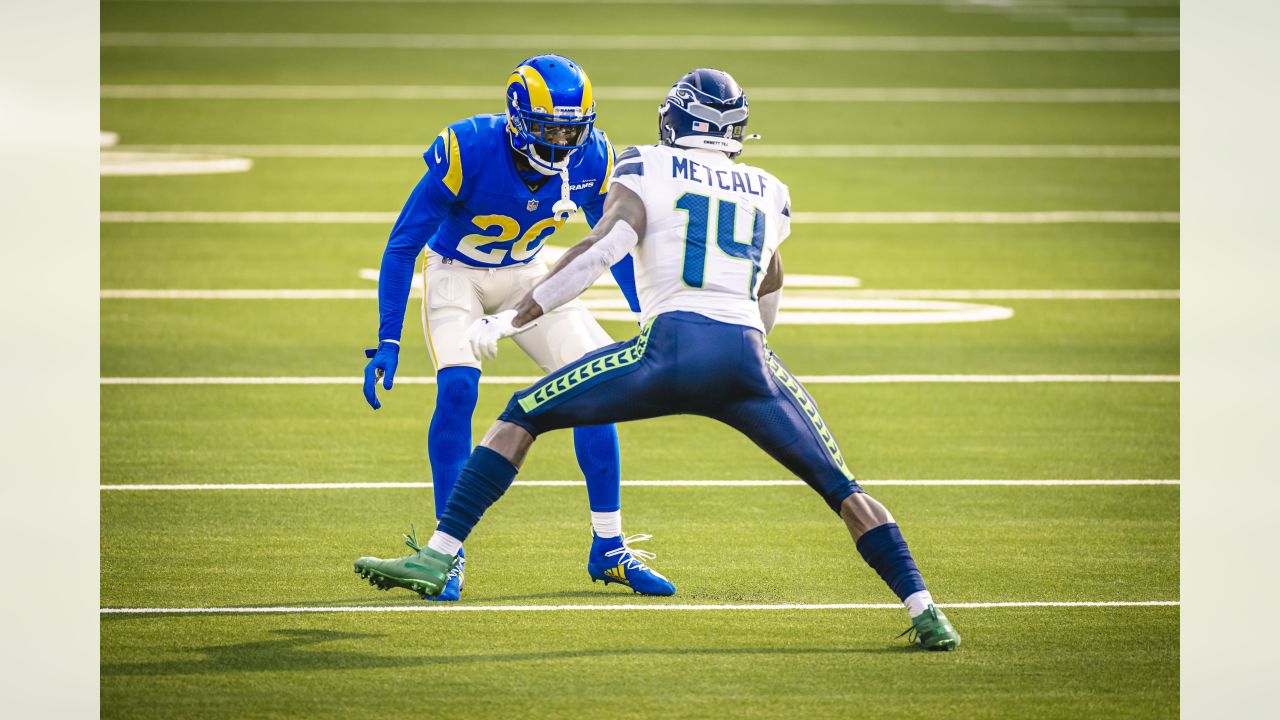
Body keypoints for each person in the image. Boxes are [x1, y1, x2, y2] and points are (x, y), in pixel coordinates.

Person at [356, 68, 960, 650]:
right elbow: (771, 282)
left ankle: (443, 553)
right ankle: (924, 608)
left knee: (523, 413)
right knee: (842, 487)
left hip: (665, 349)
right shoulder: (773, 192)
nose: (564, 142)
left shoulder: (642, 162)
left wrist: (516, 319)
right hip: (746, 359)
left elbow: (601, 248)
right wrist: (756, 348)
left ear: (672, 120)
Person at [359, 54, 675, 601]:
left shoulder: (593, 156)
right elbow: (403, 242)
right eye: (550, 128)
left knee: (594, 384)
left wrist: (644, 310)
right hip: (457, 273)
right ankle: (446, 555)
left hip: (530, 274)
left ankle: (609, 548)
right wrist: (388, 338)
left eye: (572, 129)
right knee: (458, 389)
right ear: (516, 120)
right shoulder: (470, 148)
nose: (561, 142)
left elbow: (612, 245)